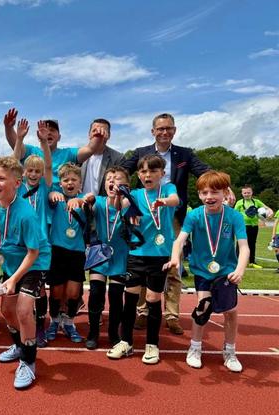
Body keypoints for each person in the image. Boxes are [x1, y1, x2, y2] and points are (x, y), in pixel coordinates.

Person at [121, 113, 212, 335]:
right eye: (160, 128)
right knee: (144, 266)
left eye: (168, 128)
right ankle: (143, 312)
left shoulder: (185, 154)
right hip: (145, 218)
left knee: (173, 269)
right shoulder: (141, 153)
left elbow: (205, 171)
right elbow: (121, 172)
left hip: (173, 218)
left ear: (174, 130)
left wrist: (223, 185)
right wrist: (128, 203)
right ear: (153, 131)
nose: (164, 132)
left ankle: (172, 315)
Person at [0, 156, 51, 389]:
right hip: (8, 261)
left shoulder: (27, 213)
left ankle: (28, 361)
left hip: (34, 263)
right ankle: (20, 345)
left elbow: (33, 252)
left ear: (17, 183)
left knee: (24, 310)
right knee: (7, 311)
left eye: (1, 179)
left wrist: (14, 279)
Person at [164, 171, 248, 372]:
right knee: (203, 307)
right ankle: (195, 348)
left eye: (214, 192)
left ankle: (230, 351)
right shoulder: (194, 215)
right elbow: (179, 240)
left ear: (225, 193)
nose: (209, 196)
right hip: (202, 271)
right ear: (199, 195)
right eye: (204, 192)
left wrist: (240, 270)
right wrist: (175, 258)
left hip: (227, 272)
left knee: (231, 312)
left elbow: (244, 247)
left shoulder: (234, 216)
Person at [107, 155, 179, 364]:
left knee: (153, 299)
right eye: (144, 171)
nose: (148, 175)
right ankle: (126, 342)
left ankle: (152, 344)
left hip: (159, 255)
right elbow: (121, 204)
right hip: (136, 254)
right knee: (130, 299)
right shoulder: (136, 194)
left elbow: (175, 200)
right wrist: (122, 199)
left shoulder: (167, 189)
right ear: (138, 175)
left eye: (153, 171)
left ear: (162, 173)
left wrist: (163, 202)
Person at [80, 166, 131, 350]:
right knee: (95, 292)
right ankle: (93, 332)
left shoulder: (129, 203)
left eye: (116, 178)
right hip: (100, 254)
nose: (111, 181)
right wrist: (87, 200)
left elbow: (124, 208)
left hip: (120, 255)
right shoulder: (99, 202)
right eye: (108, 178)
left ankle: (113, 333)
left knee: (116, 296)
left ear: (126, 185)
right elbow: (88, 204)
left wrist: (121, 196)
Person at [13, 119, 53, 347]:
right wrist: (19, 138)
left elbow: (49, 167)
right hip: (21, 244)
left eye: (38, 171)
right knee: (22, 287)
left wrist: (44, 143)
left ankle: (39, 327)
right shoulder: (18, 187)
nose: (35, 174)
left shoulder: (45, 185)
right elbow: (13, 162)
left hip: (40, 243)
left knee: (40, 289)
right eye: (30, 170)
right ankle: (23, 324)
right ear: (24, 172)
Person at [3, 108, 102, 188]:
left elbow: (90, 149)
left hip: (59, 200)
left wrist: (98, 136)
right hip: (32, 197)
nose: (48, 133)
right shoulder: (30, 151)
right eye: (44, 130)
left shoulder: (68, 153)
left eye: (52, 130)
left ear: (59, 137)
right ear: (38, 136)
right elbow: (16, 145)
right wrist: (8, 127)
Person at [45, 163, 86, 344]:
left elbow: (91, 199)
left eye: (74, 180)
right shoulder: (56, 200)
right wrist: (52, 194)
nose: (70, 183)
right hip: (57, 250)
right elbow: (48, 197)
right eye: (66, 180)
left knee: (73, 293)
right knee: (56, 291)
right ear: (60, 183)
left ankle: (69, 323)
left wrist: (81, 201)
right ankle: (54, 321)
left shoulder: (84, 200)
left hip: (77, 252)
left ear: (80, 183)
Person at [80, 119, 125, 196]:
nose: (98, 134)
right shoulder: (79, 155)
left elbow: (121, 185)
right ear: (89, 134)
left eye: (103, 131)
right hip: (80, 201)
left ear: (109, 136)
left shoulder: (118, 158)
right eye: (95, 131)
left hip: (103, 202)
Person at [234, 185, 273, 269]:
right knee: (240, 244)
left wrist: (270, 212)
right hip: (243, 226)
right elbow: (234, 214)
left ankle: (252, 262)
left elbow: (267, 208)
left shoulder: (256, 202)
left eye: (248, 192)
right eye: (245, 193)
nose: (247, 194)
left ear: (252, 193)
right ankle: (237, 262)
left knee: (252, 244)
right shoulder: (239, 203)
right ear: (242, 193)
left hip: (254, 226)